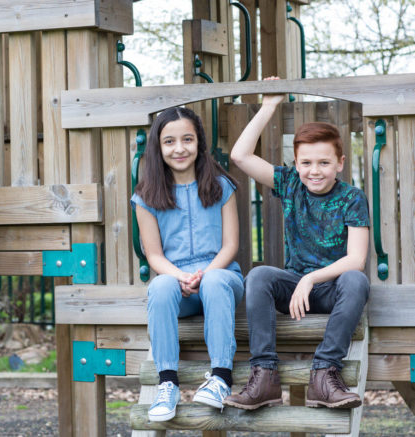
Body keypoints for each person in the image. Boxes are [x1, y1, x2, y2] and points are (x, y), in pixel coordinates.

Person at [223, 83, 370, 411]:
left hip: (333, 292)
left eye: (323, 163)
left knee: (356, 280)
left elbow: (356, 259)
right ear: (296, 163)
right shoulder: (290, 183)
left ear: (340, 163)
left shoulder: (351, 198)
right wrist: (268, 107)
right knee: (259, 276)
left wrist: (311, 278)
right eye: (306, 163)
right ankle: (264, 376)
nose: (314, 171)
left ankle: (324, 374)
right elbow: (239, 155)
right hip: (294, 295)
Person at [131, 106, 244, 422]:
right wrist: (181, 276)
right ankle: (167, 383)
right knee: (160, 285)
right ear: (158, 147)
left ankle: (221, 376)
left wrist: (205, 274)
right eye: (169, 141)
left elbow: (231, 246)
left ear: (199, 142)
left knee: (215, 281)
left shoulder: (222, 186)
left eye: (187, 139)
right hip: (176, 280)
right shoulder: (146, 197)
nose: (179, 148)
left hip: (221, 277)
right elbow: (154, 256)